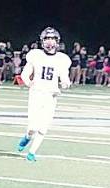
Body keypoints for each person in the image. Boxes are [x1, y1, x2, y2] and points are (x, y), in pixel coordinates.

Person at [16, 27, 72, 162]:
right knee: (33, 127)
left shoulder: (62, 59)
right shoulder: (35, 55)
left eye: (52, 39)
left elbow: (65, 77)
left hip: (51, 95)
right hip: (37, 93)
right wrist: (30, 83)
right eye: (47, 38)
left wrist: (66, 83)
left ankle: (31, 153)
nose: (50, 42)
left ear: (57, 41)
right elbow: (24, 74)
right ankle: (27, 137)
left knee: (43, 127)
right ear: (42, 41)